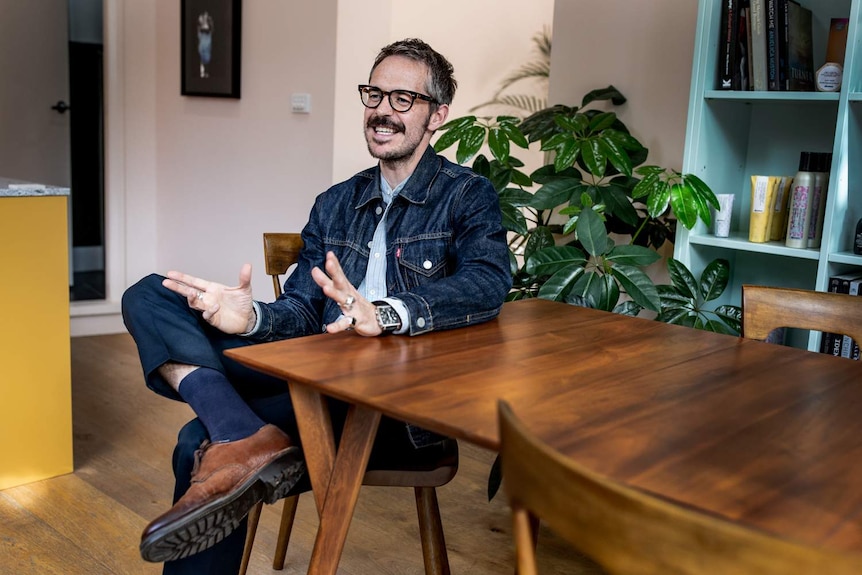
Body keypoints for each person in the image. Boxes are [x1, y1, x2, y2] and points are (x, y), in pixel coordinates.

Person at [122, 38, 512, 574]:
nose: (381, 110)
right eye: (374, 94)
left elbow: (487, 282)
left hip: (393, 412)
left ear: (436, 116)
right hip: (316, 380)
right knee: (149, 291)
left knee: (197, 439)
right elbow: (303, 314)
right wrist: (251, 317)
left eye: (403, 99)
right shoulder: (335, 202)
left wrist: (388, 312)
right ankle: (242, 432)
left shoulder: (467, 195)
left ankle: (235, 434)